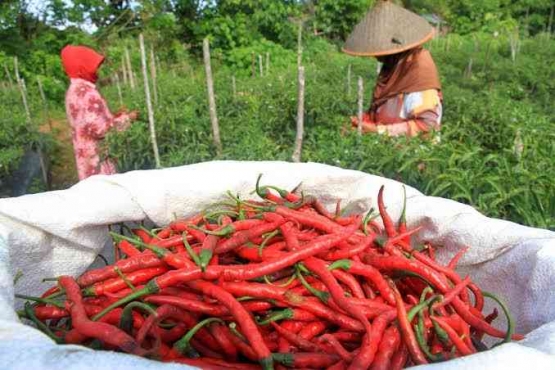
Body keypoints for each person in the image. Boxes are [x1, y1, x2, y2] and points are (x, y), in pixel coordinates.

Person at [344, 0, 442, 137]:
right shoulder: (392, 67)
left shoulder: (418, 70)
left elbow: (427, 127)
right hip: (386, 152)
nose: (376, 56)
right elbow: (386, 109)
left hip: (412, 156)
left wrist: (377, 131)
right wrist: (365, 121)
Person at [61, 45, 138, 180]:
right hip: (97, 158)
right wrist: (128, 118)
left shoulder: (73, 91)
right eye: (93, 66)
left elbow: (89, 122)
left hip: (85, 157)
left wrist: (115, 116)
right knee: (105, 192)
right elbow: (101, 130)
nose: (97, 70)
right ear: (82, 66)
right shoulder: (88, 94)